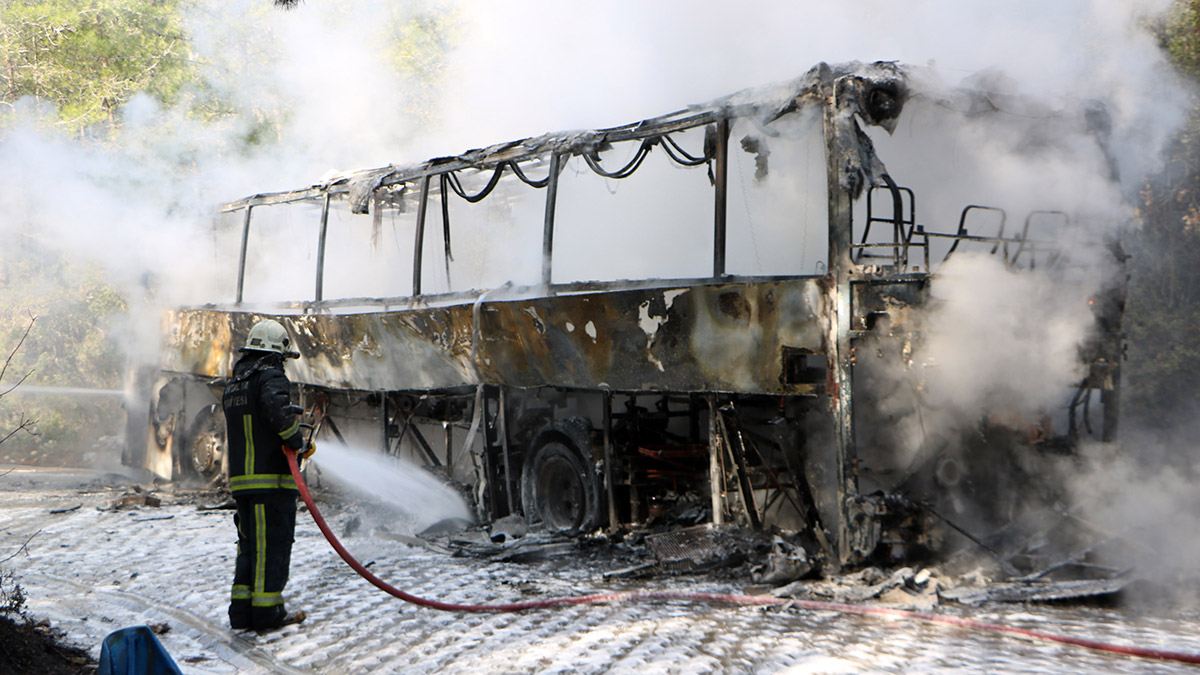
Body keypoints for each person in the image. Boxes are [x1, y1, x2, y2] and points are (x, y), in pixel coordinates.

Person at [222, 318, 315, 632]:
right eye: (282, 359)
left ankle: (241, 613)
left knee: (248, 548)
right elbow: (275, 410)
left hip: (244, 483)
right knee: (272, 547)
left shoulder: (236, 383)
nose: (282, 366)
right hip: (270, 482)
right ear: (275, 354)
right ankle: (267, 613)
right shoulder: (270, 376)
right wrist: (296, 441)